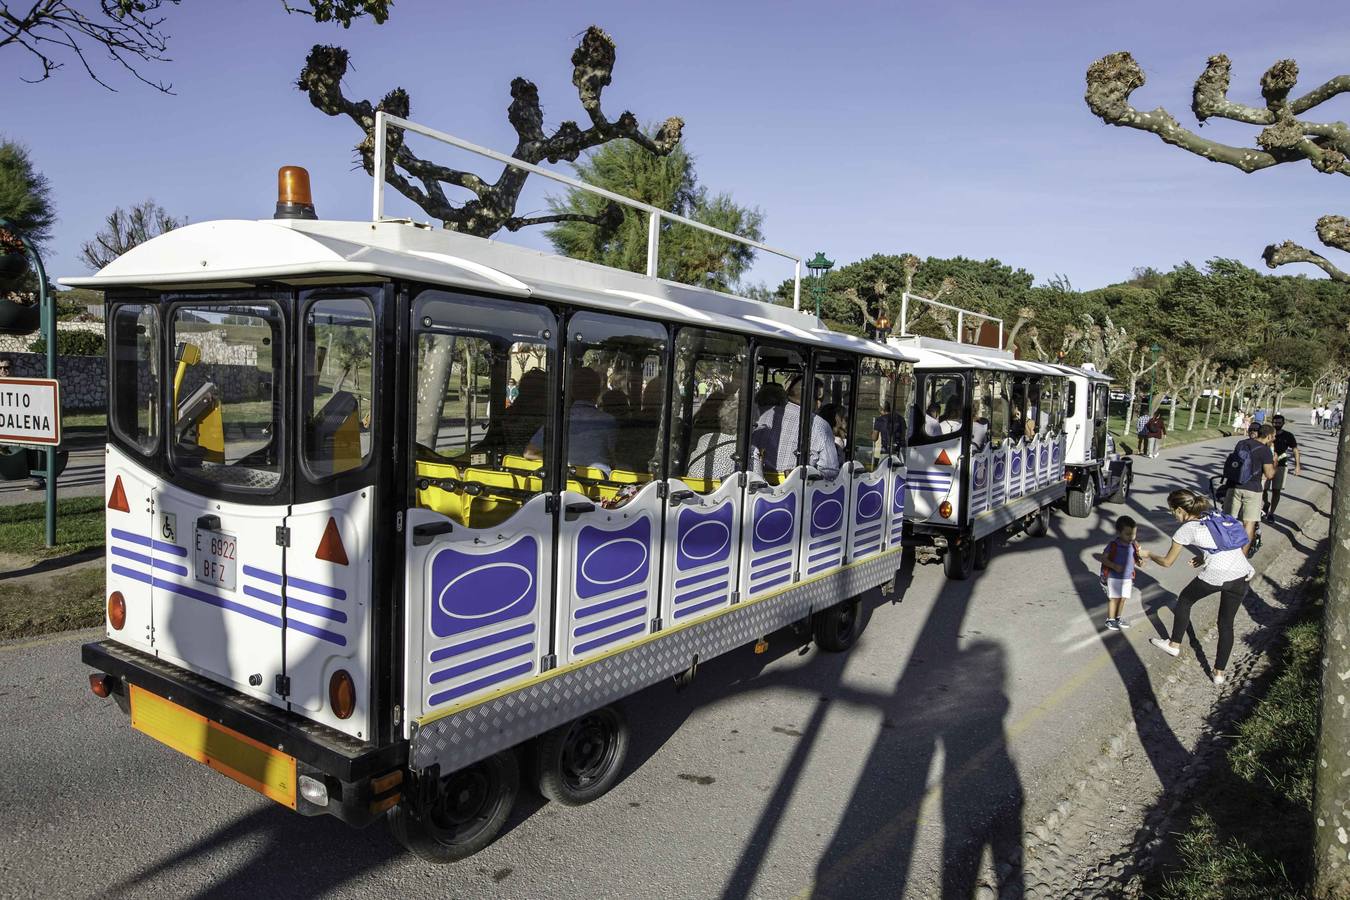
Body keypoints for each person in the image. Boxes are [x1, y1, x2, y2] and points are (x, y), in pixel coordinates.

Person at [1143, 488, 1255, 686]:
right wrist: (1203, 557)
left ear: (1180, 510)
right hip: (1242, 573)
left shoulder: (1186, 529)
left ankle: (1174, 644)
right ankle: (1219, 674)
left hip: (1218, 574)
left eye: (1172, 511)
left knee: (1185, 600)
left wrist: (1148, 554)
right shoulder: (1213, 515)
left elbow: (1167, 562)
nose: (1173, 515)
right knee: (1226, 623)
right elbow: (1221, 543)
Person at [525, 365, 616, 475]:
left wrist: (559, 462)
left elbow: (529, 453)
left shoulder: (559, 418)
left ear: (572, 391)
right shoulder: (608, 421)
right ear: (598, 391)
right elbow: (614, 456)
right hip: (599, 483)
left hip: (567, 481)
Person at [750, 376, 838, 479]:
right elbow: (830, 472)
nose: (820, 404)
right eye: (819, 399)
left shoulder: (763, 415)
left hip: (758, 485)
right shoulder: (820, 425)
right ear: (815, 400)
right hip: (796, 488)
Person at [1224, 422, 1276, 553]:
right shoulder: (1265, 450)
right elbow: (1269, 474)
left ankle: (1224, 549)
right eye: (1273, 436)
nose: (1274, 439)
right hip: (1253, 489)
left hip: (1235, 486)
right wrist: (1274, 462)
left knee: (1229, 520)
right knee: (1249, 523)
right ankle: (1242, 555)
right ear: (1269, 436)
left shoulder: (1242, 444)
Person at [1100, 515, 1144, 630]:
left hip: (1127, 577)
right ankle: (1110, 619)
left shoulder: (1134, 545)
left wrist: (1139, 562)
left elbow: (1136, 559)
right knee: (1114, 598)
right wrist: (1113, 565)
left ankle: (1118, 617)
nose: (1131, 537)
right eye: (1128, 534)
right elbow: (1104, 559)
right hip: (1114, 577)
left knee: (1123, 598)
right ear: (1119, 532)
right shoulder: (1113, 545)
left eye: (1134, 534)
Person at [686, 397, 739, 482]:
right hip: (722, 493)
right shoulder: (745, 448)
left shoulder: (704, 439)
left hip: (692, 490)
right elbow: (758, 482)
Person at [1262, 414, 1301, 524]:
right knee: (1262, 488)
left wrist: (1297, 466)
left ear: (1283, 423)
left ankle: (1271, 513)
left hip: (1281, 465)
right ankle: (1266, 503)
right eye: (1275, 423)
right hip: (1267, 464)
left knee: (1276, 490)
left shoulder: (1288, 436)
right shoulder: (1267, 434)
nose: (1277, 425)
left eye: (1279, 423)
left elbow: (1295, 450)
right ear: (1272, 423)